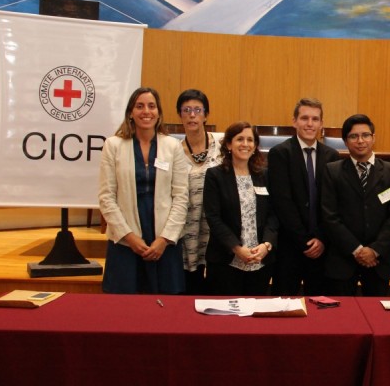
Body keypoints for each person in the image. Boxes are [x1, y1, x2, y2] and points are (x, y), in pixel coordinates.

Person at [99, 87, 189, 294]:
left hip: (164, 240)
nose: (146, 111)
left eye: (151, 106)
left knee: (166, 307)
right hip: (125, 238)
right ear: (130, 112)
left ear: (159, 113)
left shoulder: (173, 146)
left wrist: (164, 239)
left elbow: (181, 197)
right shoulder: (113, 145)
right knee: (124, 307)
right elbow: (106, 197)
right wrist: (129, 237)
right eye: (139, 106)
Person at [321, 114, 390, 296]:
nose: (360, 141)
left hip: (378, 259)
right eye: (353, 136)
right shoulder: (332, 171)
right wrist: (357, 250)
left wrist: (374, 250)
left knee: (376, 318)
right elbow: (329, 216)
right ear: (345, 141)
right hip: (343, 259)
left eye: (365, 135)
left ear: (373, 138)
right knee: (342, 318)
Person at [268, 98, 341, 296]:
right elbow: (282, 202)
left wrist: (321, 238)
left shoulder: (332, 156)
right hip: (289, 246)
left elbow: (333, 204)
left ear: (321, 124)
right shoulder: (279, 154)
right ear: (294, 121)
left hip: (322, 247)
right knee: (283, 307)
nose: (310, 124)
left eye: (315, 119)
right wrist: (304, 241)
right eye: (305, 118)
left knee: (320, 309)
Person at [203, 122, 278, 296]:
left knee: (255, 317)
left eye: (250, 140)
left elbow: (273, 215)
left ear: (256, 146)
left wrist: (267, 244)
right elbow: (213, 218)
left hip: (260, 260)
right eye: (240, 139)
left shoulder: (264, 175)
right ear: (229, 144)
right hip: (226, 260)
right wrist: (236, 248)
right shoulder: (215, 176)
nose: (245, 144)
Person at [176, 89, 222, 294]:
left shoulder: (222, 146)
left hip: (218, 226)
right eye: (186, 110)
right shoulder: (173, 150)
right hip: (188, 229)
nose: (192, 115)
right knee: (191, 286)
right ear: (180, 115)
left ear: (206, 115)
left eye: (197, 110)